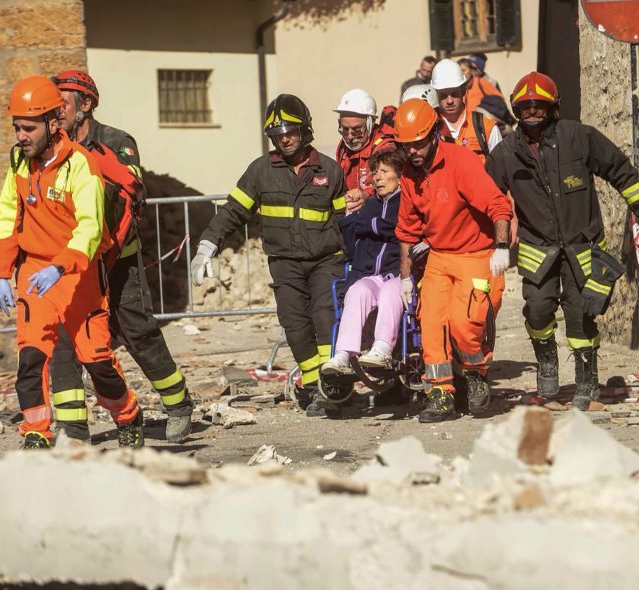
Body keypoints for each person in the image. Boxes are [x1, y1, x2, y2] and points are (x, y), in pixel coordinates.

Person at [485, 72, 639, 410]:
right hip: (537, 250)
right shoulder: (505, 153)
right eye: (525, 106)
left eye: (539, 105)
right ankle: (547, 365)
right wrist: (495, 244)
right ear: (516, 111)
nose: (532, 111)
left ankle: (586, 380)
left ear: (553, 107)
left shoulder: (580, 137)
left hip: (583, 247)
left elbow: (620, 169)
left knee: (581, 315)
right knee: (537, 311)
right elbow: (486, 198)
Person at [0, 76, 143, 449]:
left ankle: (128, 415)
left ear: (53, 123)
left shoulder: (81, 165)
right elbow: (8, 215)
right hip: (32, 273)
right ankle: (36, 434)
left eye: (28, 127)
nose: (21, 135)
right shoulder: (18, 162)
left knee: (97, 363)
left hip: (77, 275)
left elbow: (90, 228)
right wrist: (0, 273)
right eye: (16, 127)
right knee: (31, 358)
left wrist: (59, 267)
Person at [47, 70, 194, 444]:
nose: (56, 110)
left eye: (63, 102)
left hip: (119, 261)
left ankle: (178, 405)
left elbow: (129, 198)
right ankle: (73, 429)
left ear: (87, 105)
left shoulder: (116, 142)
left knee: (138, 333)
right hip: (76, 263)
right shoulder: (51, 146)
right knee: (65, 340)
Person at [189, 94, 347, 417]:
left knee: (325, 316)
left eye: (290, 131)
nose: (284, 139)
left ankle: (331, 385)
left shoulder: (329, 171)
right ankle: (315, 381)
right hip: (284, 263)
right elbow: (233, 211)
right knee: (295, 324)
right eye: (277, 135)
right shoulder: (261, 171)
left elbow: (347, 223)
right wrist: (208, 245)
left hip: (325, 261)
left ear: (305, 131)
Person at [393, 98, 513, 423]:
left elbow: (498, 205)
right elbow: (407, 230)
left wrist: (502, 248)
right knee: (430, 322)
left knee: (465, 324)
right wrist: (405, 277)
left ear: (434, 134)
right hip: (440, 257)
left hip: (477, 255)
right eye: (406, 147)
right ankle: (440, 392)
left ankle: (475, 374)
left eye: (418, 144)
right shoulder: (409, 174)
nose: (413, 152)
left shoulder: (461, 162)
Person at [322, 148, 407, 373]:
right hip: (371, 275)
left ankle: (383, 348)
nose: (377, 177)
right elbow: (352, 243)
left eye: (384, 171)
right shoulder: (370, 205)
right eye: (375, 172)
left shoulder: (408, 202)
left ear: (399, 176)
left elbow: (401, 230)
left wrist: (371, 225)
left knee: (391, 292)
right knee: (357, 290)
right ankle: (343, 354)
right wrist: (350, 217)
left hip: (400, 273)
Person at [333, 88, 396, 213]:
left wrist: (367, 195)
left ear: (370, 122)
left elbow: (391, 187)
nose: (350, 136)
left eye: (357, 130)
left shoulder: (385, 147)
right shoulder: (342, 148)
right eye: (345, 129)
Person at [430, 58, 502, 161]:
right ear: (435, 96)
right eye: (443, 95)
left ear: (463, 92)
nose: (450, 101)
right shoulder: (430, 129)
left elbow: (499, 170)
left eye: (454, 94)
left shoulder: (487, 128)